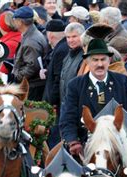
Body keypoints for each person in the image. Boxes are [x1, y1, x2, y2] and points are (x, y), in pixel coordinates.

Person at [60, 38, 127, 156]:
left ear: (109, 60)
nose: (100, 64)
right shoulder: (75, 85)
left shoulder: (121, 81)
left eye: (103, 59)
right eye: (95, 60)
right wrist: (73, 141)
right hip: (86, 146)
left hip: (118, 146)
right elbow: (68, 117)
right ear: (87, 61)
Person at [12, 6, 48, 101]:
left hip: (32, 87)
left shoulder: (31, 41)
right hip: (33, 85)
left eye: (15, 19)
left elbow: (32, 66)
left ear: (20, 22)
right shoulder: (31, 34)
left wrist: (17, 76)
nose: (14, 21)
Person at [42, 19, 68, 148]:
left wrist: (51, 101)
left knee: (54, 139)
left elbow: (59, 79)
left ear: (50, 35)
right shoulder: (62, 47)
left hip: (56, 106)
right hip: (58, 104)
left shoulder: (61, 50)